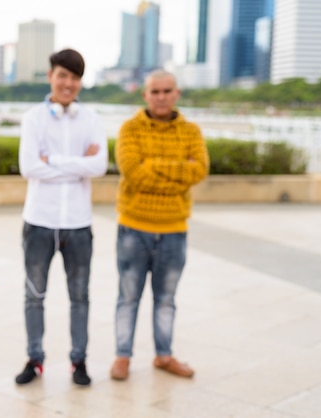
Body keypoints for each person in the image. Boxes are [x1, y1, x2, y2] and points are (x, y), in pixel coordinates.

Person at [15, 49, 109, 386]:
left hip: (79, 224)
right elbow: (29, 167)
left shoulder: (92, 119)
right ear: (51, 76)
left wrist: (52, 161)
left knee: (80, 296)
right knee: (34, 295)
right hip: (39, 220)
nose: (68, 83)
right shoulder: (33, 118)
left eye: (75, 77)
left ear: (80, 81)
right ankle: (34, 358)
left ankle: (79, 361)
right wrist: (76, 163)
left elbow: (99, 166)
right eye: (62, 75)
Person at [109, 69, 209, 381]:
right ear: (146, 94)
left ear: (177, 94)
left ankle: (164, 356)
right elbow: (133, 172)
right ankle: (122, 356)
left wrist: (152, 166)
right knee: (128, 296)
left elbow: (200, 170)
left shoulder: (191, 131)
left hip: (174, 229)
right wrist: (178, 172)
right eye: (156, 91)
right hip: (133, 228)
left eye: (167, 91)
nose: (161, 97)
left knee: (166, 299)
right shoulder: (130, 128)